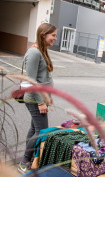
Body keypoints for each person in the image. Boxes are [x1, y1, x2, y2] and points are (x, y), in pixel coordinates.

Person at [18, 23, 57, 174]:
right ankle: (24, 162)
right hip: (35, 99)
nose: (55, 38)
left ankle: (27, 159)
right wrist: (40, 102)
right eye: (53, 35)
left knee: (34, 129)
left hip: (41, 98)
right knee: (42, 131)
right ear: (43, 35)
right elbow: (30, 81)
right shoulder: (34, 53)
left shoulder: (42, 50)